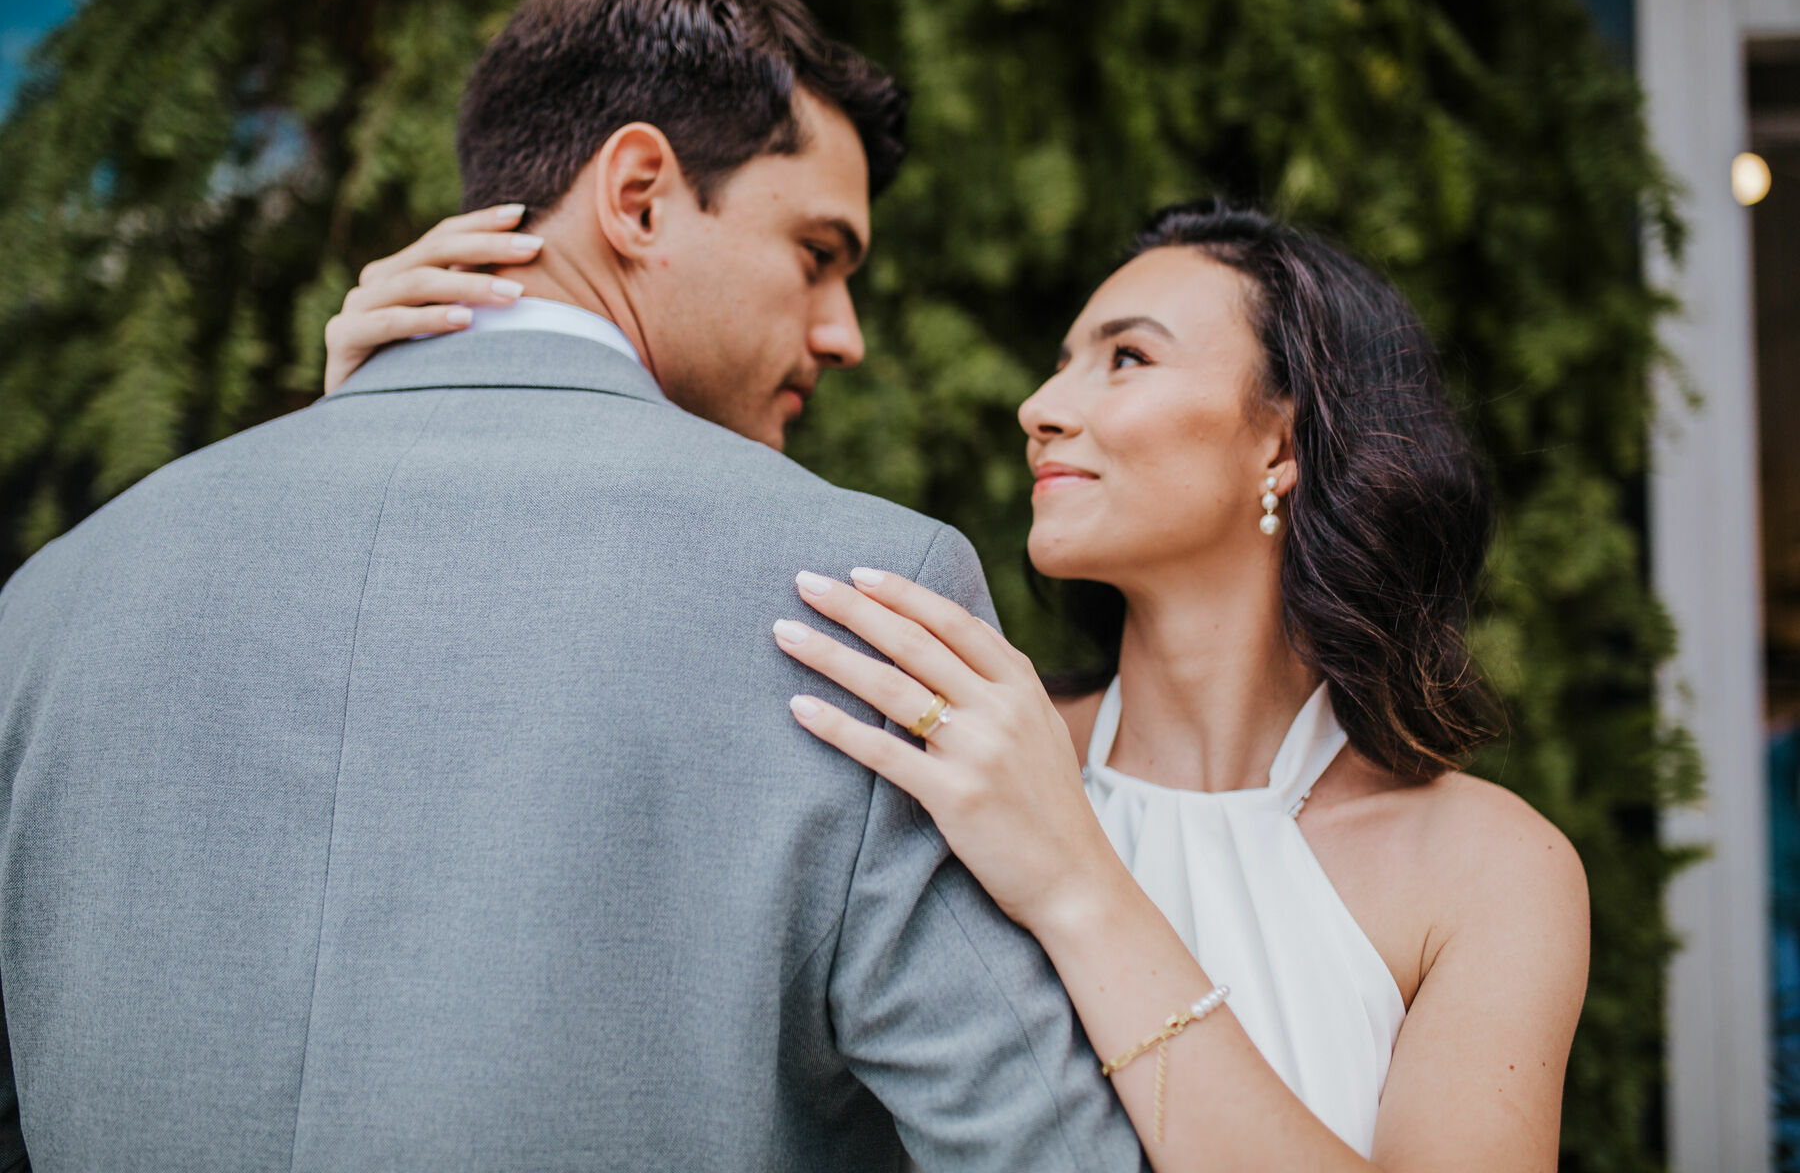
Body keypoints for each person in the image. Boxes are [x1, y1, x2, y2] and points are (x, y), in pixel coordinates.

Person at [0, 0, 1146, 1169]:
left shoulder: (57, 597)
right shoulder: (866, 593)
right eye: (817, 254)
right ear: (640, 196)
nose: (842, 331)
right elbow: (1040, 1149)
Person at [328, 197, 1591, 1170]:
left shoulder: (1488, 869)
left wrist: (1079, 885)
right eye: (1061, 362)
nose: (1043, 405)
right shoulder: (945, 746)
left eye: (1126, 360)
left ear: (1285, 438)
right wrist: (400, 416)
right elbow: (564, 762)